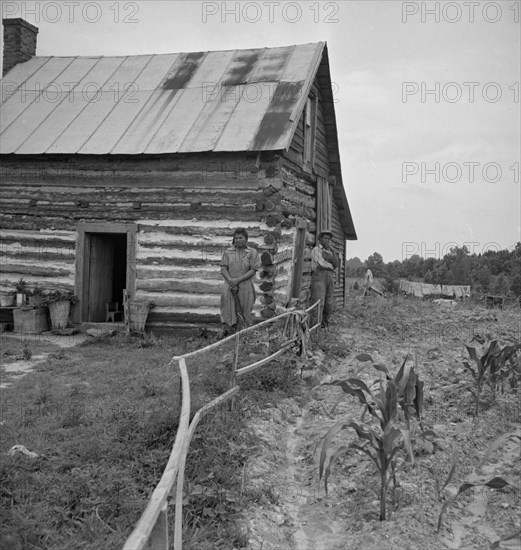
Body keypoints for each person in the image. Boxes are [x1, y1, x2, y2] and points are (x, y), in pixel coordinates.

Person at [220, 228, 260, 334]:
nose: (238, 240)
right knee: (228, 308)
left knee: (245, 308)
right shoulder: (228, 252)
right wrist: (231, 281)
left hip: (245, 285)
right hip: (229, 285)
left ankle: (244, 333)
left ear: (246, 239)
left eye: (241, 237)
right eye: (236, 238)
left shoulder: (252, 252)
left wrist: (238, 280)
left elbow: (253, 270)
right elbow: (223, 268)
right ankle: (228, 333)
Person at [310, 230, 339, 328]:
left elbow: (336, 264)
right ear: (320, 239)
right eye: (326, 238)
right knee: (319, 301)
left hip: (330, 277)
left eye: (329, 239)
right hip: (319, 277)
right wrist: (331, 265)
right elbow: (321, 263)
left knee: (329, 303)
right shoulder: (316, 250)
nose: (328, 241)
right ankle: (315, 328)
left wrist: (333, 254)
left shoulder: (331, 251)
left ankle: (324, 325)